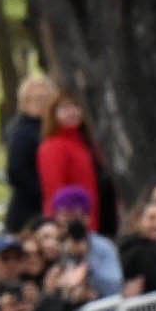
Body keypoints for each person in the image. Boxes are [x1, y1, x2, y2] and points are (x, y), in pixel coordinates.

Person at [34, 94, 100, 231]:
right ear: (54, 114)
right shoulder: (53, 147)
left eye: (76, 106)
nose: (72, 112)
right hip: (73, 220)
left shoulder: (86, 143)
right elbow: (55, 190)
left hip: (93, 215)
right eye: (65, 108)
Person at [0, 72, 49, 235]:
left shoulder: (44, 127)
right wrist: (43, 192)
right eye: (31, 98)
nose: (37, 103)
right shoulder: (23, 130)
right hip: (28, 212)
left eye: (43, 98)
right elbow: (15, 169)